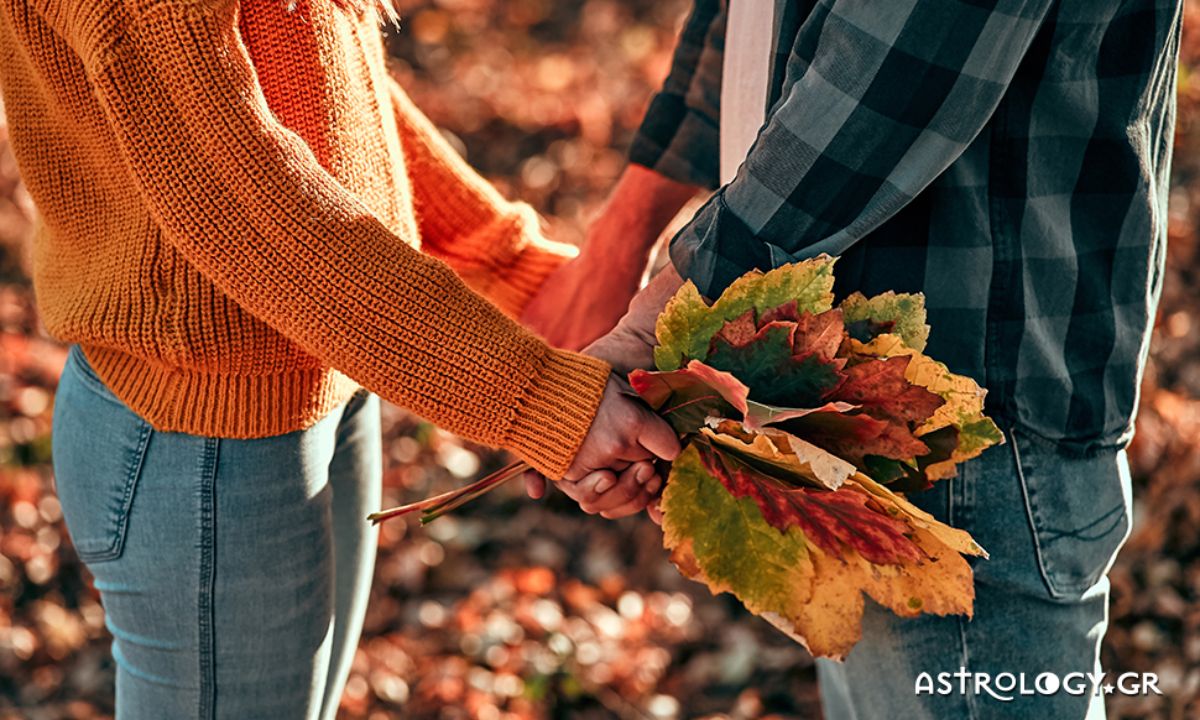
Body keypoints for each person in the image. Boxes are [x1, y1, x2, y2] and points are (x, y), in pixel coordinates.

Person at [0, 0, 679, 717]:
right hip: (201, 443)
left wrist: (512, 269)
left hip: (326, 368)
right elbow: (243, 197)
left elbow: (314, 75)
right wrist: (538, 400)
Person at [526, 0, 1181, 717]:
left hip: (965, 423)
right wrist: (627, 234)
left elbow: (909, 49)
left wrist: (669, 307)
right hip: (821, 402)